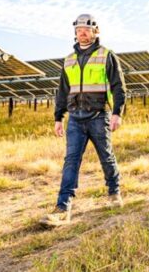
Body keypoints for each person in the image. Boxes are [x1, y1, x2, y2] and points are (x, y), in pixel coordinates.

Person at [44, 14, 126, 226]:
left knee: (106, 156)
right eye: (79, 29)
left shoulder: (106, 55)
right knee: (71, 160)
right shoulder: (69, 59)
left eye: (87, 29)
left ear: (95, 32)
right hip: (75, 119)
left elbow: (118, 85)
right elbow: (62, 90)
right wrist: (58, 117)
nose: (82, 32)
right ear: (75, 32)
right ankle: (63, 206)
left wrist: (117, 112)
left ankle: (114, 192)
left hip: (99, 115)